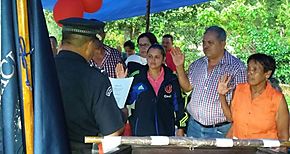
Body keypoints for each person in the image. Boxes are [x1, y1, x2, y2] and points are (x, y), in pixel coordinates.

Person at [55, 18, 124, 153]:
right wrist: (122, 114)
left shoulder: (40, 71)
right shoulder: (95, 78)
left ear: (62, 42)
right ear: (90, 44)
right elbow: (113, 133)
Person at [171, 26, 247, 138]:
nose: (205, 46)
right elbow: (187, 87)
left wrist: (232, 131)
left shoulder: (236, 68)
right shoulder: (197, 64)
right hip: (194, 126)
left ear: (223, 44)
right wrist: (179, 66)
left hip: (220, 130)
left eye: (210, 43)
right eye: (204, 42)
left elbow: (242, 105)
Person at [117, 44, 188, 136]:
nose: (153, 60)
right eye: (150, 56)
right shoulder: (137, 78)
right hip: (141, 130)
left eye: (157, 57)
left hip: (166, 131)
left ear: (163, 59)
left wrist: (181, 127)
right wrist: (122, 83)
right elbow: (126, 101)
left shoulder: (172, 79)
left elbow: (179, 105)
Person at [217, 53, 289, 141]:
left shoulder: (277, 99)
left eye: (255, 70)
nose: (250, 72)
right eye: (248, 69)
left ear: (267, 74)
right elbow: (230, 118)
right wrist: (221, 95)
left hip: (264, 149)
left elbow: (283, 135)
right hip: (239, 146)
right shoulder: (239, 90)